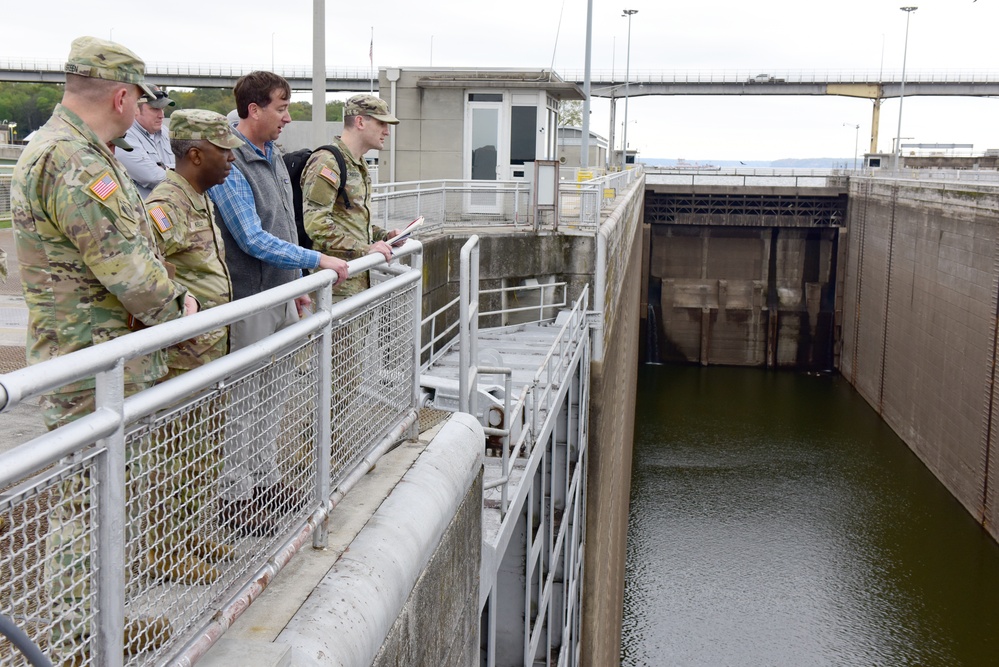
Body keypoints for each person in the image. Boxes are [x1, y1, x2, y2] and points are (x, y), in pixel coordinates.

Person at [11, 36, 196, 660]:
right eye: (139, 99)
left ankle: (101, 624)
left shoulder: (79, 150)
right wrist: (180, 309)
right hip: (93, 359)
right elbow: (131, 273)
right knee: (89, 508)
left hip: (98, 356)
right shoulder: (73, 160)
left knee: (107, 498)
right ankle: (72, 642)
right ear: (122, 96)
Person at [208, 71, 348, 536]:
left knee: (275, 394)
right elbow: (250, 237)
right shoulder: (232, 163)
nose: (289, 117)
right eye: (282, 108)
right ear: (254, 110)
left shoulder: (273, 156)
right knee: (245, 399)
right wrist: (316, 258)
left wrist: (300, 279)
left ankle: (264, 481)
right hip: (250, 299)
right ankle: (234, 496)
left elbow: (285, 225)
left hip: (284, 294)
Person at [144, 109, 243, 583]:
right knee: (177, 455)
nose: (231, 160)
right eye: (225, 151)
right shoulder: (168, 202)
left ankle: (189, 533)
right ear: (196, 153)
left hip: (208, 352)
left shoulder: (199, 197)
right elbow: (144, 264)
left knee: (203, 450)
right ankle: (164, 549)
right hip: (182, 358)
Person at [301, 93, 402, 299]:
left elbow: (351, 222)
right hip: (333, 291)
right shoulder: (327, 162)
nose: (387, 132)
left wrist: (384, 237)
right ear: (360, 122)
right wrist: (366, 250)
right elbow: (316, 225)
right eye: (382, 123)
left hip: (354, 283)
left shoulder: (359, 164)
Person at [118, 84, 175, 199]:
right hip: (143, 214)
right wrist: (183, 172)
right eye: (155, 109)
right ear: (136, 109)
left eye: (162, 109)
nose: (162, 115)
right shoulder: (123, 135)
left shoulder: (164, 131)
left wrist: (164, 168)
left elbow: (185, 163)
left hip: (171, 209)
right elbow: (152, 176)